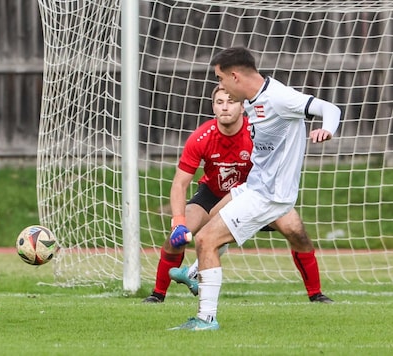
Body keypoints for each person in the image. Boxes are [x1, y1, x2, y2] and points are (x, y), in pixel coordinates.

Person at [170, 47, 341, 331]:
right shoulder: (251, 101)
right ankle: (195, 272)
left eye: (221, 79)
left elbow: (330, 108)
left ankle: (206, 320)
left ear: (234, 76)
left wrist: (328, 129)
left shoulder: (279, 97)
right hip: (253, 187)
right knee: (210, 230)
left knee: (205, 241)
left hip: (270, 195)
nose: (220, 86)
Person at [143, 86, 332, 304]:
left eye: (231, 101)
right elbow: (180, 183)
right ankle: (157, 295)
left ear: (243, 106)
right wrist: (178, 223)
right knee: (176, 239)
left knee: (296, 230)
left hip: (256, 194)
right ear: (213, 107)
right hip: (212, 194)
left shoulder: (258, 132)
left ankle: (316, 295)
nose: (225, 107)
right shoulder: (201, 137)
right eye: (219, 102)